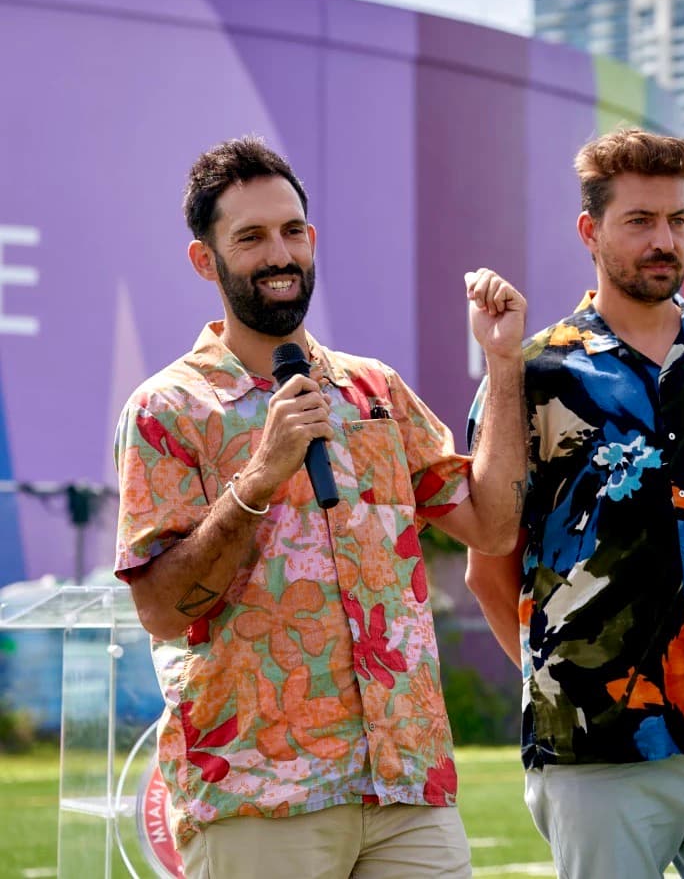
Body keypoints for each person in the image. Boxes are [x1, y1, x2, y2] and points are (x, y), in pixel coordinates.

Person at [113, 137, 528, 879]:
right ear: (205, 260)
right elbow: (162, 610)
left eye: (292, 231)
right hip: (258, 796)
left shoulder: (374, 391)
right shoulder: (167, 409)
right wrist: (259, 478)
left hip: (407, 786)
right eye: (250, 237)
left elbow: (493, 527)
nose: (280, 254)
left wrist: (502, 364)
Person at [465, 128, 684, 879]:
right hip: (595, 742)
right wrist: (562, 681)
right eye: (639, 220)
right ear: (589, 231)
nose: (664, 240)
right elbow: (488, 569)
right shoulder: (532, 376)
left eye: (678, 219)